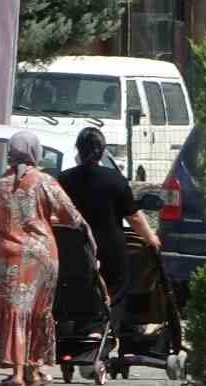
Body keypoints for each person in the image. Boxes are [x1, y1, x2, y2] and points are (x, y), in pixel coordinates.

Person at [0, 131, 94, 386]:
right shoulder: (45, 182)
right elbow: (71, 216)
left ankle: (15, 372)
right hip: (41, 255)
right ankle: (33, 370)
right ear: (34, 152)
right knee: (39, 311)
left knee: (14, 310)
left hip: (8, 255)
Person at [57, 127, 160, 310]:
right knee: (120, 288)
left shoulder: (64, 180)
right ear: (103, 150)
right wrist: (150, 238)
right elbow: (134, 217)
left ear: (78, 149)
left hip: (73, 252)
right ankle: (110, 327)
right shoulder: (115, 180)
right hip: (110, 254)